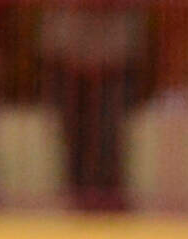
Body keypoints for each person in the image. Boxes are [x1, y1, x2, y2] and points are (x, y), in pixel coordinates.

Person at [44, 0, 146, 212]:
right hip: (67, 54)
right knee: (74, 133)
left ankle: (108, 201)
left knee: (109, 134)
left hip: (115, 57)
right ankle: (79, 201)